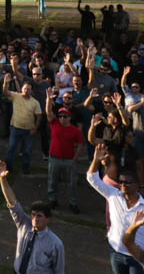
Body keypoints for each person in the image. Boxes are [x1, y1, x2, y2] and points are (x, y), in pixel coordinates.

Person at [0, 160, 65, 274]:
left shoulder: (55, 244)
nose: (35, 219)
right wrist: (2, 179)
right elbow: (12, 201)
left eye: (39, 216)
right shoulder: (23, 223)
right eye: (33, 215)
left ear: (48, 219)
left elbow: (59, 271)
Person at [87, 143, 144, 273]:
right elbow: (92, 178)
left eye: (127, 182)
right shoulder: (113, 194)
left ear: (136, 185)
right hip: (115, 252)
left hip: (136, 257)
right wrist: (96, 160)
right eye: (121, 181)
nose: (123, 185)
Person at [44, 87, 83, 213]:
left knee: (72, 183)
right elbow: (48, 111)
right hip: (54, 158)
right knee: (52, 181)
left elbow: (80, 144)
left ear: (69, 117)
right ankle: (52, 200)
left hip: (69, 160)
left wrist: (75, 159)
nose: (62, 118)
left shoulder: (75, 130)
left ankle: (73, 203)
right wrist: (48, 99)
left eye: (65, 116)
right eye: (60, 115)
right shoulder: (54, 123)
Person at [3, 74, 42, 175]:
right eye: (24, 89)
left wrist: (35, 129)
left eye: (28, 89)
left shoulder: (35, 103)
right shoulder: (16, 96)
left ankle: (25, 168)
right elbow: (5, 92)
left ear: (31, 91)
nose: (26, 91)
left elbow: (39, 116)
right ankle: (7, 168)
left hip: (28, 130)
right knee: (11, 148)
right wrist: (6, 82)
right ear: (21, 89)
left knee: (27, 151)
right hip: (15, 128)